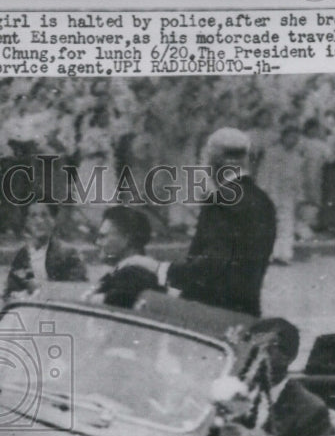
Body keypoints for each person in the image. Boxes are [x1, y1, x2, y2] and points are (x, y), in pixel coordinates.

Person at [115, 128, 276, 317]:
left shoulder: (220, 201)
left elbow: (211, 266)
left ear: (213, 159)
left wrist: (157, 268)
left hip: (213, 312)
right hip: (246, 309)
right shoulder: (263, 200)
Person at [213, 317, 332, 436]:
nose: (253, 359)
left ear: (289, 357)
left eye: (266, 350)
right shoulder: (234, 393)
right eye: (251, 350)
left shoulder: (310, 409)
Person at [85, 206, 155, 308]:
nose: (98, 242)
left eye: (103, 236)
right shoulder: (126, 273)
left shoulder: (134, 275)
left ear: (127, 239)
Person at [257, 123, 304, 265]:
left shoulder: (297, 157)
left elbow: (298, 177)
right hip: (273, 190)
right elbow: (264, 174)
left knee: (287, 223)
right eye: (290, 137)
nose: (293, 140)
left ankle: (284, 254)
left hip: (288, 192)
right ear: (283, 137)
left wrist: (299, 194)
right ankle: (269, 253)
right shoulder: (272, 153)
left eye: (296, 138)